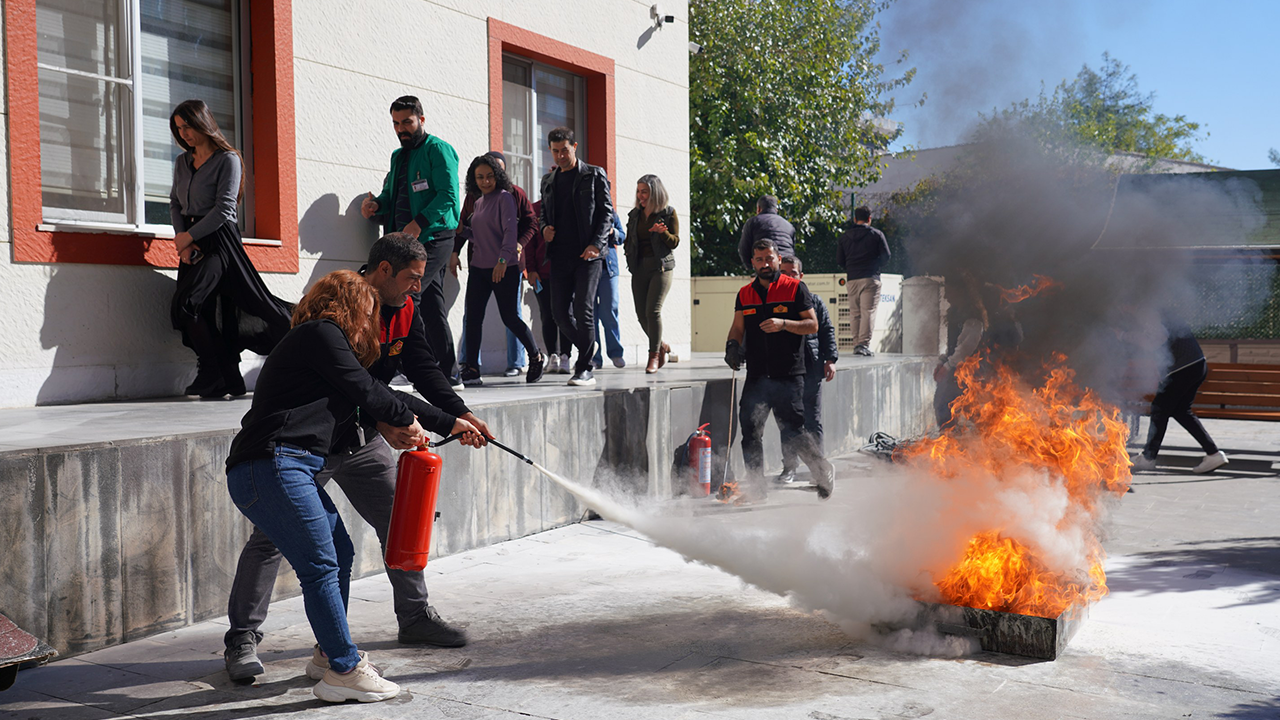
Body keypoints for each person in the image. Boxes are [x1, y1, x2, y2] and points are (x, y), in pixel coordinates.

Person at [222, 235, 493, 682]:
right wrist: (398, 419)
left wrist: (456, 417)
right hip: (302, 447)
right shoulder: (331, 323)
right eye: (410, 279)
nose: (416, 290)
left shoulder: (404, 309)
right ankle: (243, 637)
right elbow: (362, 386)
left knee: (398, 521)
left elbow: (415, 373)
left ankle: (411, 616)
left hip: (361, 437)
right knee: (277, 538)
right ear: (381, 272)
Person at [168, 99, 292, 398]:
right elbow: (174, 202)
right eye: (179, 128)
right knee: (206, 311)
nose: (184, 134)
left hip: (220, 241)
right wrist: (182, 238)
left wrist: (189, 237)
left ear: (204, 123)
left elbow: (224, 209)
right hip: (192, 240)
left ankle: (212, 371)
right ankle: (226, 378)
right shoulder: (182, 162)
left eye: (189, 126)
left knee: (193, 302)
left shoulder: (228, 159)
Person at [361, 95, 462, 385]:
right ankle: (447, 371)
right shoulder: (398, 155)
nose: (401, 129)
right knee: (430, 304)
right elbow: (392, 195)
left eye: (407, 122)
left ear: (421, 119)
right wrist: (376, 206)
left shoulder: (439, 150)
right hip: (404, 242)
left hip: (434, 235)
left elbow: (449, 196)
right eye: (396, 123)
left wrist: (419, 224)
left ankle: (403, 365)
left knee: (405, 296)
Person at [724, 240, 835, 501]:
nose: (765, 264)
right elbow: (738, 327)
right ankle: (757, 489)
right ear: (752, 262)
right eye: (759, 259)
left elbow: (813, 325)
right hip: (757, 376)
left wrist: (784, 323)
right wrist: (732, 346)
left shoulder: (795, 288)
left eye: (769, 258)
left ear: (778, 258)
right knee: (750, 432)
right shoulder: (744, 294)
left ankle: (822, 471)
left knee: (794, 432)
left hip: (789, 374)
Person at [455, 155, 546, 386]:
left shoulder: (505, 198)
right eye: (480, 177)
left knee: (510, 317)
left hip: (504, 267)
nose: (485, 181)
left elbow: (510, 233)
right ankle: (472, 369)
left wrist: (503, 261)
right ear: (473, 180)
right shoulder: (477, 202)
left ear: (498, 176)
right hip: (479, 267)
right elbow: (480, 236)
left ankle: (535, 356)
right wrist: (462, 231)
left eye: (489, 176)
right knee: (473, 318)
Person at [538, 126, 615, 387]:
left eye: (565, 150)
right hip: (559, 255)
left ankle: (585, 369)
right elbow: (543, 215)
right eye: (555, 151)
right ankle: (588, 349)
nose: (560, 156)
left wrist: (596, 244)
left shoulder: (593, 175)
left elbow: (607, 214)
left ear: (575, 146)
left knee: (584, 309)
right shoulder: (548, 181)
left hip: (588, 255)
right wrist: (544, 228)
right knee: (559, 313)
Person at [1131, 319, 1229, 474]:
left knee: (1159, 409)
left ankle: (1148, 458)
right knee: (1180, 411)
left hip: (1184, 368)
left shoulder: (1153, 312)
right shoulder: (1162, 311)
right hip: (1197, 365)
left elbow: (1156, 342)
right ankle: (1214, 454)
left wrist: (1123, 335)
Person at [776, 256, 837, 485]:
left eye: (793, 273)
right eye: (783, 272)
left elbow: (827, 331)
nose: (788, 277)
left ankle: (818, 470)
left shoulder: (814, 301)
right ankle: (789, 468)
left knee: (812, 421)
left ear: (801, 276)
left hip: (811, 369)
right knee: (788, 423)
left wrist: (830, 359)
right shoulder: (774, 302)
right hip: (786, 372)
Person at [624, 174, 679, 374]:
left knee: (653, 311)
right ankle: (661, 345)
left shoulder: (668, 213)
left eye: (644, 191)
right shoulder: (634, 214)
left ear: (654, 193)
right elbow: (630, 239)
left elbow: (675, 242)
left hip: (661, 267)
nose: (640, 196)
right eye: (638, 191)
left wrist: (661, 232)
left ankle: (654, 356)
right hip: (639, 268)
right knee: (641, 315)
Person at [527, 199, 575, 373]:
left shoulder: (570, 207)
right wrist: (531, 269)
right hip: (542, 273)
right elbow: (530, 243)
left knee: (565, 314)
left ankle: (566, 356)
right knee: (547, 315)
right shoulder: (535, 209)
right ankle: (552, 355)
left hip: (565, 272)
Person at [836, 206, 891, 357]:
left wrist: (851, 267)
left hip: (852, 278)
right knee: (868, 312)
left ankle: (856, 344)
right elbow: (886, 256)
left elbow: (840, 260)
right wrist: (874, 266)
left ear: (855, 219)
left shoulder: (844, 237)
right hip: (870, 277)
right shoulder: (877, 234)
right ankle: (863, 344)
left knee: (854, 313)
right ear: (869, 219)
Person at [592, 211, 627, 369]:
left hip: (609, 268)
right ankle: (594, 357)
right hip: (589, 267)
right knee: (589, 314)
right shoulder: (583, 207)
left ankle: (615, 353)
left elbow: (622, 236)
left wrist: (614, 232)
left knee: (610, 309)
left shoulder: (610, 212)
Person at [737, 195, 795, 272]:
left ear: (758, 209)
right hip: (788, 266)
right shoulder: (789, 225)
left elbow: (744, 249)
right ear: (776, 210)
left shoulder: (753, 222)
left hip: (768, 266)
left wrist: (752, 268)